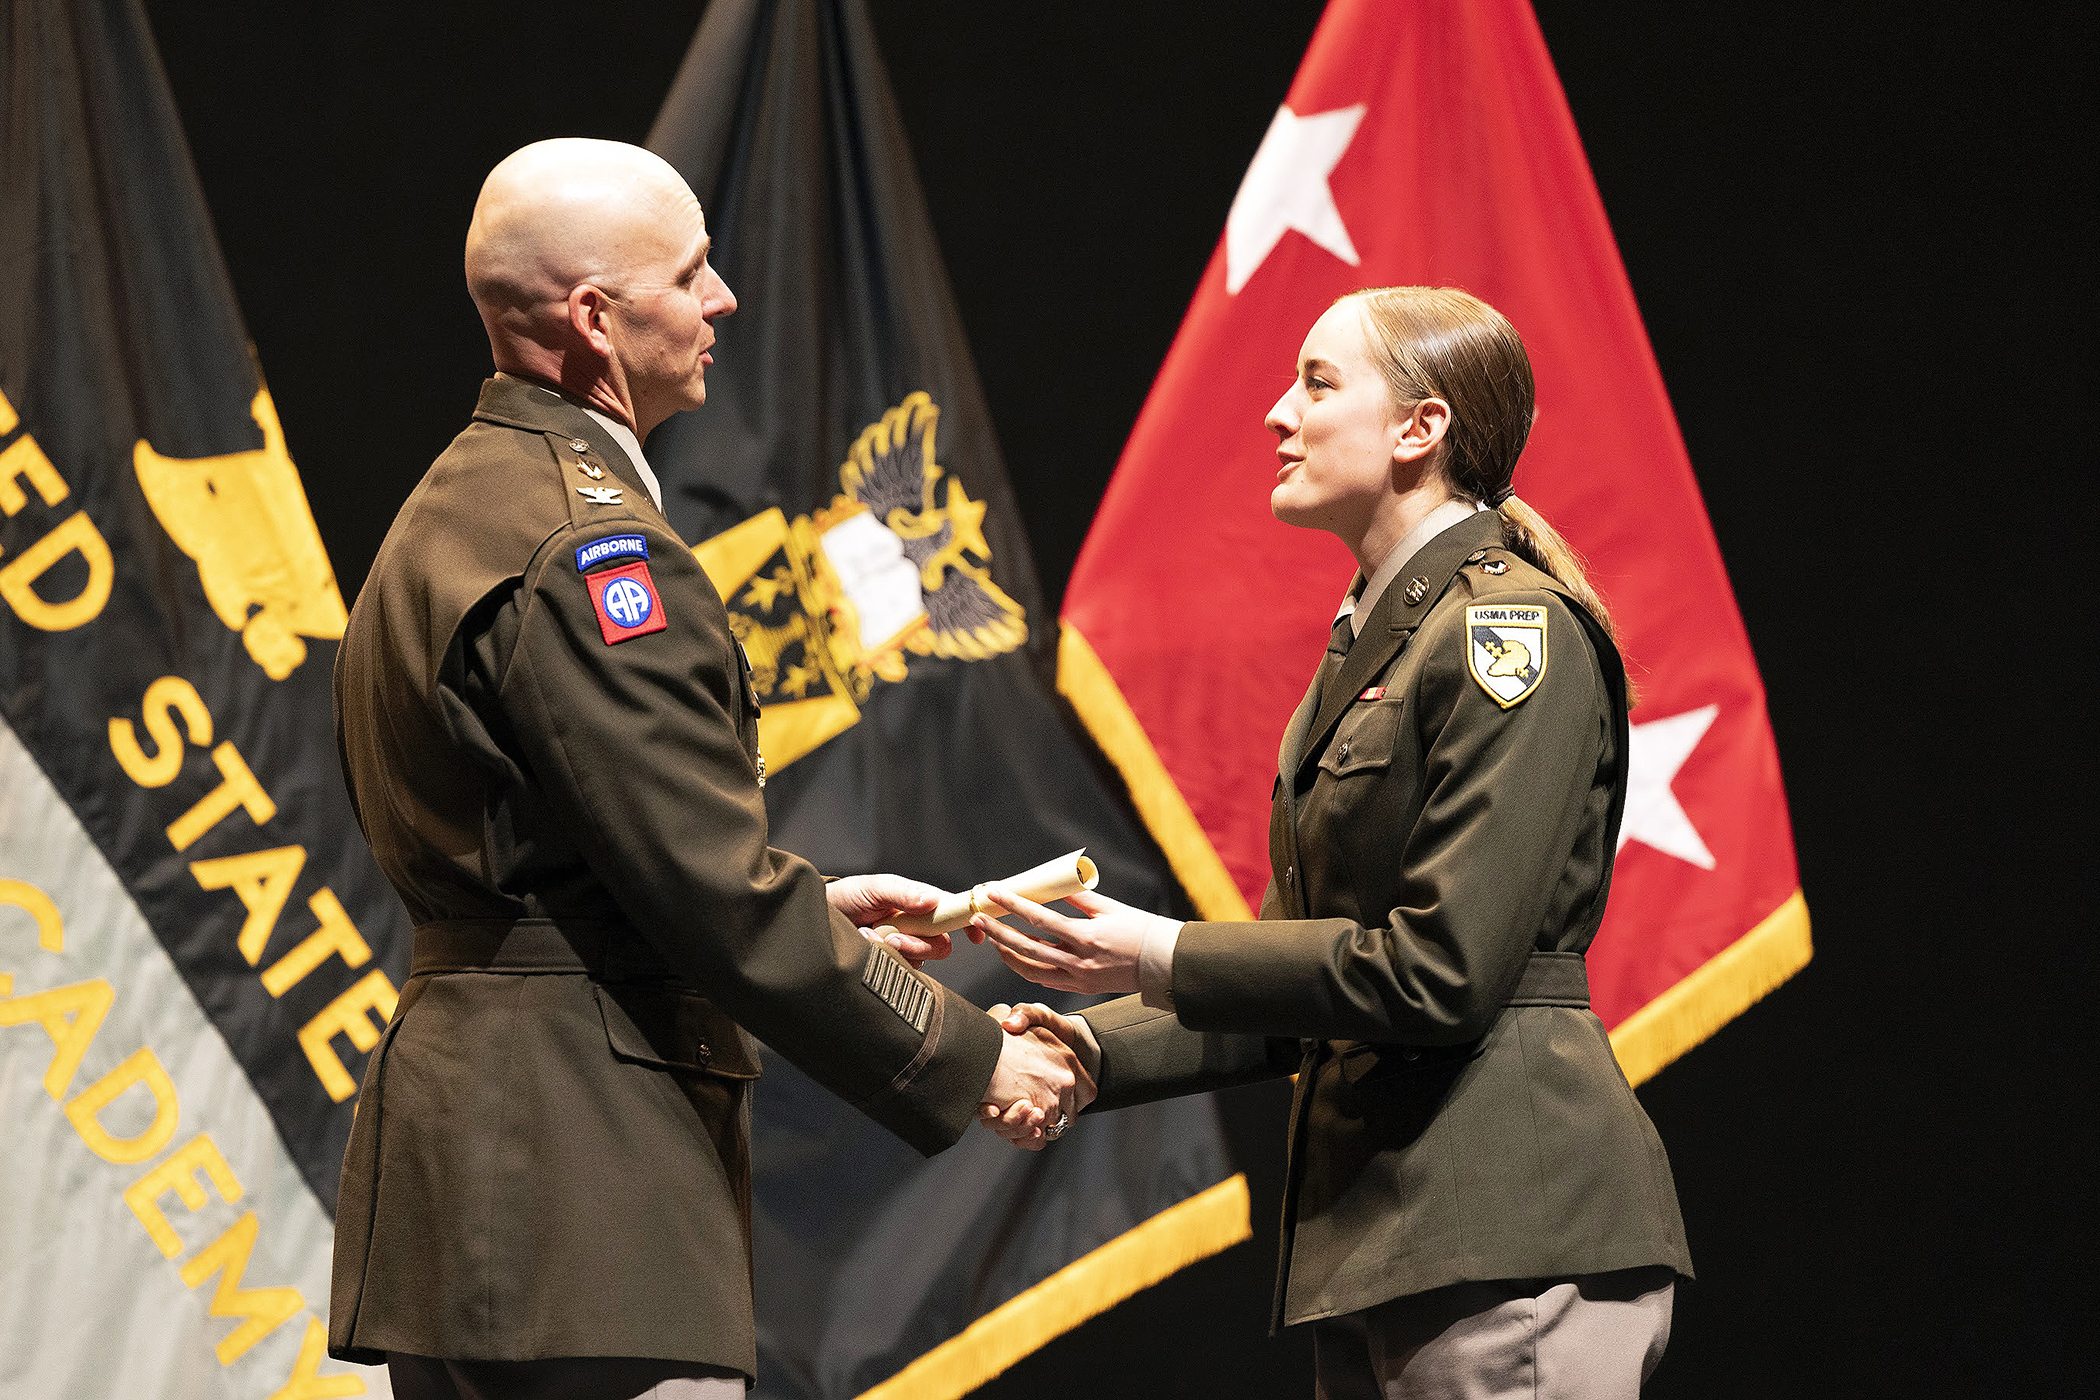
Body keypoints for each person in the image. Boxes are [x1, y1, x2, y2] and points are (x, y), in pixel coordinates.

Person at [328, 138, 1079, 1400]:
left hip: (475, 1177)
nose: (723, 298)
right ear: (596, 320)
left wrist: (805, 908)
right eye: (691, 274)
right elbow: (713, 886)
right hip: (585, 1187)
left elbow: (551, 851)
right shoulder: (595, 553)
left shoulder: (453, 506)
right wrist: (966, 1051)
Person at [974, 287, 1693, 1399]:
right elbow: (1299, 978)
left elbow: (1441, 970)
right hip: (1395, 1240)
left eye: (1316, 382)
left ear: (1421, 428)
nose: (1277, 412)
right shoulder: (1374, 645)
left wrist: (1161, 949)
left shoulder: (1511, 634)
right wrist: (1088, 1049)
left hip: (1510, 1229)